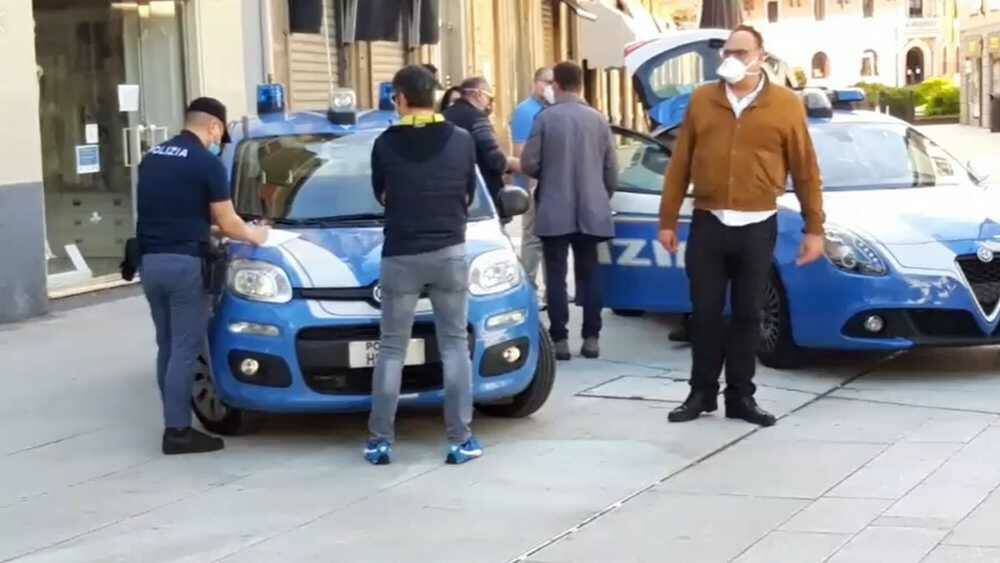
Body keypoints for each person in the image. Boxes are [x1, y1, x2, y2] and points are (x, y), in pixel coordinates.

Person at [658, 25, 825, 427]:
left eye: (740, 51)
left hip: (757, 224)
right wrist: (667, 219)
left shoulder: (785, 104)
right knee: (705, 313)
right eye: (726, 51)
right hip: (709, 222)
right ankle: (701, 393)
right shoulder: (702, 99)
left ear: (760, 57)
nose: (730, 58)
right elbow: (680, 162)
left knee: (749, 314)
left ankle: (741, 397)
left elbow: (805, 169)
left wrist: (814, 227)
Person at [137, 97, 268, 455]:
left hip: (150, 264)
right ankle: (177, 432)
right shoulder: (205, 164)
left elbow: (173, 212)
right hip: (183, 267)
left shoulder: (152, 158)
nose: (217, 141)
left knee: (166, 345)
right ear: (213, 125)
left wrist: (208, 227)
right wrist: (256, 234)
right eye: (218, 134)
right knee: (186, 347)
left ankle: (172, 421)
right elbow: (228, 222)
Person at [366, 65, 482, 466]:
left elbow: (382, 195)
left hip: (400, 254)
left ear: (399, 98)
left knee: (392, 348)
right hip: (449, 252)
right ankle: (460, 439)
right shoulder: (463, 141)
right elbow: (468, 194)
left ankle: (380, 441)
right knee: (454, 346)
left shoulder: (384, 143)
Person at [521, 61, 617, 362]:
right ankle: (591, 337)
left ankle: (560, 339)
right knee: (590, 274)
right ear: (581, 86)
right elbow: (611, 169)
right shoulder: (599, 120)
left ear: (556, 85)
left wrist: (548, 175)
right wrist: (601, 195)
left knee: (557, 275)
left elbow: (528, 164)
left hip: (553, 208)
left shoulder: (544, 118)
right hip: (592, 209)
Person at [443, 76, 519, 214]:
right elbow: (495, 159)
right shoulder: (478, 118)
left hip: (450, 196)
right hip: (481, 199)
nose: (489, 104)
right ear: (478, 94)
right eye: (489, 98)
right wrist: (511, 164)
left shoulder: (444, 116)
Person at [510, 67, 554, 295]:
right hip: (534, 185)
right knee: (533, 239)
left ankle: (552, 289)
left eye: (553, 82)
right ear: (535, 82)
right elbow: (520, 152)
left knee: (550, 239)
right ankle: (527, 287)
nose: (550, 87)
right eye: (546, 82)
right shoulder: (526, 111)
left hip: (551, 186)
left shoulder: (552, 109)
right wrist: (531, 183)